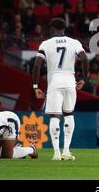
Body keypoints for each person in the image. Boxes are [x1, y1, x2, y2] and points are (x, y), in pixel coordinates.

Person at [32, 18, 89, 161]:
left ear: (52, 29)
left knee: (55, 117)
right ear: (64, 28)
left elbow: (37, 65)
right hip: (70, 81)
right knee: (69, 115)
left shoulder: (45, 44)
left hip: (54, 83)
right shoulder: (74, 42)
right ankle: (67, 151)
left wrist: (35, 86)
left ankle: (56, 153)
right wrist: (85, 78)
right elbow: (85, 58)